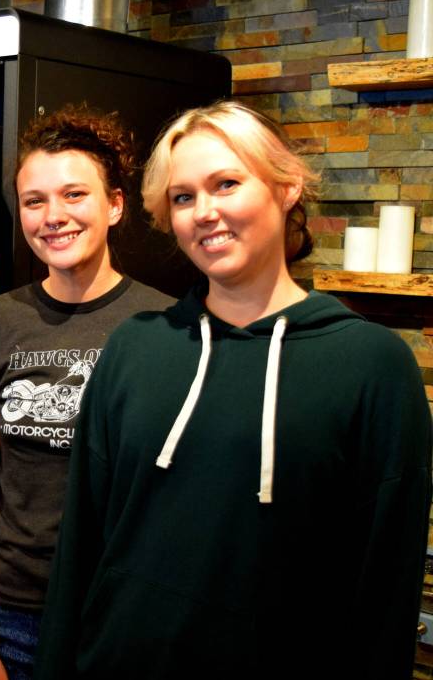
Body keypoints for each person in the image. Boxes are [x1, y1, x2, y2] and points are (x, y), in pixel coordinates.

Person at [36, 100, 432, 679]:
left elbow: (385, 596)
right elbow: (80, 549)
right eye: (183, 197)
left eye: (226, 184)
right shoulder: (134, 348)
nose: (204, 212)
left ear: (286, 187)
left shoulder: (371, 366)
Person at [0, 106, 171, 680]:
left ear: (114, 205)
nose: (53, 216)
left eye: (74, 195)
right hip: (17, 619)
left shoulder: (168, 325)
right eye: (34, 200)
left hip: (126, 614)